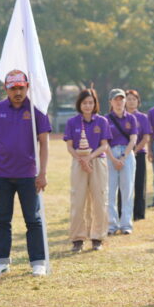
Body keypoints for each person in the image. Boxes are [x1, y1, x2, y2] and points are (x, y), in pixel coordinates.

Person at [0, 70, 52, 277]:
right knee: (2, 220)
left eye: (21, 87)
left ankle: (38, 262)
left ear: (27, 87)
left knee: (33, 220)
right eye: (13, 88)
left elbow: (44, 143)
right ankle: (0, 261)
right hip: (1, 175)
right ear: (6, 88)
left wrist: (43, 173)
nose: (18, 92)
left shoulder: (36, 110)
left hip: (29, 175)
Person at [64, 88, 111, 252]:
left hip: (97, 162)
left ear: (95, 104)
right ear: (80, 104)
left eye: (91, 102)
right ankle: (77, 238)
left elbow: (104, 145)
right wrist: (80, 159)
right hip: (78, 163)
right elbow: (69, 146)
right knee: (78, 200)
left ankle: (98, 237)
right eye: (85, 103)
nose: (88, 106)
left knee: (99, 200)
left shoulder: (102, 121)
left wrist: (89, 158)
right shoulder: (72, 122)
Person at [106, 89, 138, 235]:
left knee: (127, 190)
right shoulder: (105, 119)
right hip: (110, 153)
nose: (119, 102)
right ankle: (112, 224)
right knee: (110, 191)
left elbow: (133, 139)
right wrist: (113, 159)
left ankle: (126, 224)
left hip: (127, 153)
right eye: (116, 99)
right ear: (111, 102)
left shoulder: (131, 118)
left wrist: (124, 157)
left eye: (121, 99)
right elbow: (104, 142)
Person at [125, 89, 151, 220]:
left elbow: (146, 137)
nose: (131, 102)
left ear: (138, 102)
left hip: (138, 154)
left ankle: (139, 214)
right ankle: (123, 213)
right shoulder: (119, 117)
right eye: (128, 99)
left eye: (133, 99)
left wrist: (133, 152)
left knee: (139, 185)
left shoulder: (143, 118)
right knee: (123, 186)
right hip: (122, 156)